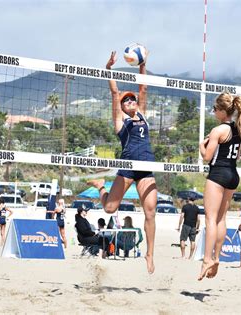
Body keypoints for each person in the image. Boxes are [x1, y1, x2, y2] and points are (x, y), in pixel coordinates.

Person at [87, 51, 157, 274]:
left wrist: (142, 65)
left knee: (150, 213)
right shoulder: (120, 121)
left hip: (146, 168)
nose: (130, 101)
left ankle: (150, 254)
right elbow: (115, 92)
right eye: (126, 100)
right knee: (109, 209)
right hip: (128, 168)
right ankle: (101, 187)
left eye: (132, 99)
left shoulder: (143, 114)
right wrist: (109, 70)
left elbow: (143, 87)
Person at [198, 92, 241, 280]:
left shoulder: (218, 131)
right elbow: (237, 156)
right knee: (221, 219)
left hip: (218, 174)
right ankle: (216, 257)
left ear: (224, 111)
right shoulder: (237, 129)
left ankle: (207, 259)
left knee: (210, 219)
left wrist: (202, 145)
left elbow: (206, 157)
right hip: (233, 175)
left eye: (215, 109)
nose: (214, 111)